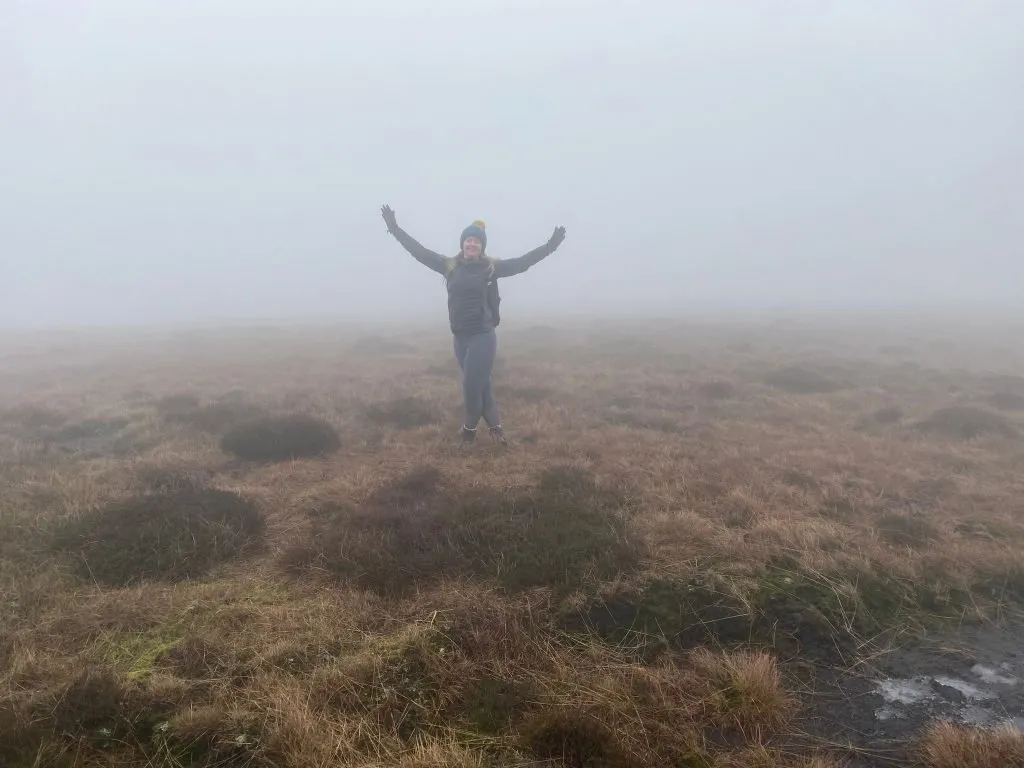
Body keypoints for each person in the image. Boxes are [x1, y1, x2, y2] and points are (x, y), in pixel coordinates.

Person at [380, 204, 566, 445]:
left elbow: (524, 262)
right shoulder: (449, 266)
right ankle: (497, 430)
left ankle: (468, 431)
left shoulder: (491, 268)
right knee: (482, 386)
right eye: (468, 241)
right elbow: (419, 251)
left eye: (476, 242)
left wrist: (551, 246)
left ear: (482, 247)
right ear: (462, 244)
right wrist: (395, 229)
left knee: (471, 386)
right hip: (460, 337)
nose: (472, 245)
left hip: (482, 335)